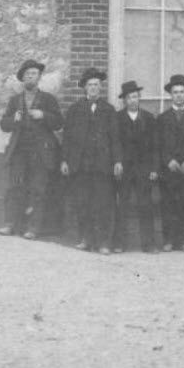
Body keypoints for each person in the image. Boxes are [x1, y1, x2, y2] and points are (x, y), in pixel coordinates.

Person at [0, 59, 64, 240]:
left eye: (34, 74)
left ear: (39, 77)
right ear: (23, 79)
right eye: (27, 74)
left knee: (38, 190)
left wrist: (44, 115)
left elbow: (59, 123)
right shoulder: (14, 101)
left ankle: (33, 228)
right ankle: (11, 224)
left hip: (41, 153)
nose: (30, 77)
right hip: (19, 151)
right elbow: (4, 124)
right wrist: (14, 119)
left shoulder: (48, 99)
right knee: (15, 187)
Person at [61, 69, 122, 254]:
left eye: (97, 85)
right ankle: (86, 239)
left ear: (101, 88)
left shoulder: (109, 110)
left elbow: (115, 138)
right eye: (90, 85)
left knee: (103, 204)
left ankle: (104, 242)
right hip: (80, 165)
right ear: (85, 88)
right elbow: (67, 138)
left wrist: (118, 161)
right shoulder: (75, 109)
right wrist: (64, 160)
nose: (93, 88)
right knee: (83, 203)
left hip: (103, 166)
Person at [112, 80, 157, 253]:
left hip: (143, 169)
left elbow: (155, 146)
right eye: (129, 97)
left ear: (139, 98)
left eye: (136, 97)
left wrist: (153, 168)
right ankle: (119, 243)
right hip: (124, 169)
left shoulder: (148, 118)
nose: (133, 100)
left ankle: (149, 244)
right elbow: (114, 142)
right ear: (124, 100)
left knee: (145, 205)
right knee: (122, 205)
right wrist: (117, 162)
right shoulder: (117, 118)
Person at [158, 74, 184, 252]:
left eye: (182, 92)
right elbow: (158, 143)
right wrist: (168, 160)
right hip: (169, 170)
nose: (179, 95)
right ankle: (168, 240)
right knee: (168, 204)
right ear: (170, 95)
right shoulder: (162, 118)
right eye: (175, 92)